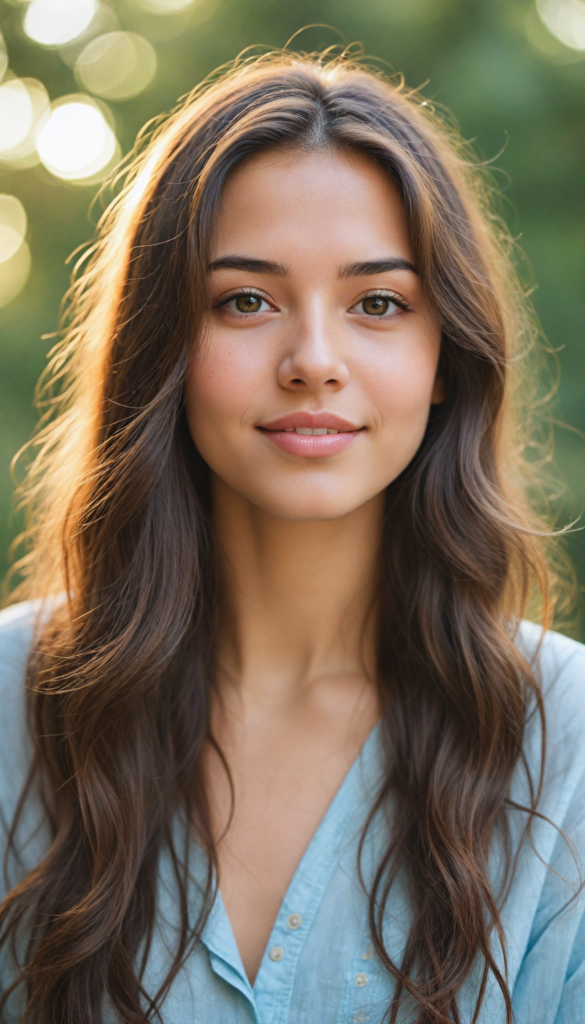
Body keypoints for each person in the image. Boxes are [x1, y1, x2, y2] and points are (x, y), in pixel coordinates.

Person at [0, 50, 584, 1024]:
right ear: (166, 348)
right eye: (246, 300)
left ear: (447, 357)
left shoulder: (566, 737)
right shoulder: (12, 703)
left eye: (378, 304)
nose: (314, 360)